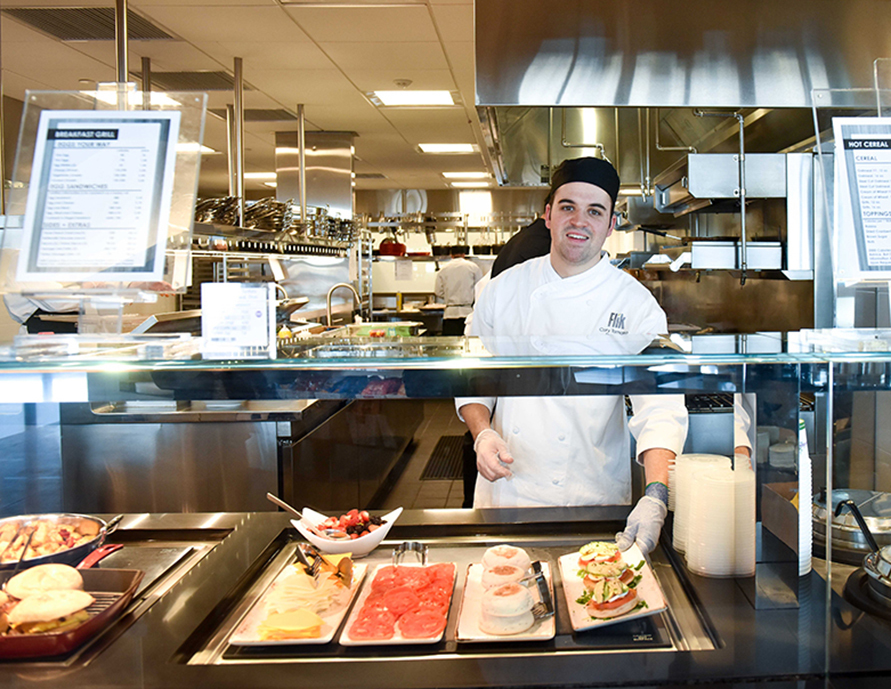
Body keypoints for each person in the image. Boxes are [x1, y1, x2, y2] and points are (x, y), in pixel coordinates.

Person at [455, 156, 688, 556]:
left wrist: (655, 495)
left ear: (611, 225)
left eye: (594, 211)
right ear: (548, 215)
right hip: (508, 491)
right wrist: (483, 433)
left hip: (593, 495)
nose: (579, 221)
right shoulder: (501, 290)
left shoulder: (635, 305)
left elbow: (661, 408)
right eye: (568, 207)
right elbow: (475, 375)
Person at [434, 246, 482, 336]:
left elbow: (438, 292)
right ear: (464, 254)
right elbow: (480, 288)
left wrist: (449, 295)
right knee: (468, 344)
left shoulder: (443, 269)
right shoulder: (473, 267)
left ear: (451, 255)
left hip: (450, 314)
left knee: (450, 345)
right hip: (467, 313)